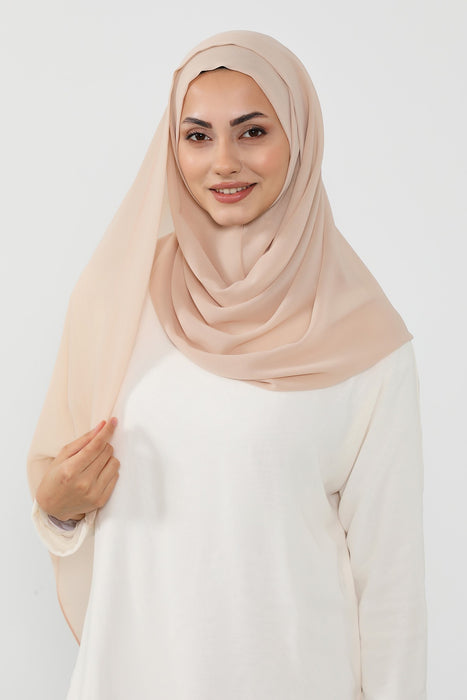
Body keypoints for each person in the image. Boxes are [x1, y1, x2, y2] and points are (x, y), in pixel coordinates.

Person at [27, 30, 427, 699]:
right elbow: (58, 490)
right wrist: (60, 511)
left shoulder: (365, 339)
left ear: (299, 138)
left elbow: (391, 585)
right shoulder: (115, 298)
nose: (222, 162)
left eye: (252, 132)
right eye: (197, 136)